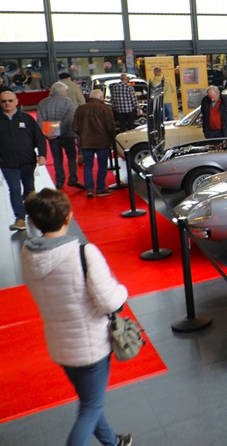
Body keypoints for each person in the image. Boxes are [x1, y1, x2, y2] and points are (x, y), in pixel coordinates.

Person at [21, 189, 132, 446]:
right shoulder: (83, 252)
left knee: (89, 401)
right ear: (68, 217)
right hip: (91, 344)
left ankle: (113, 442)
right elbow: (110, 301)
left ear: (34, 222)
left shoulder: (28, 256)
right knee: (90, 407)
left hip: (60, 345)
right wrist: (123, 290)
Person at [0, 88, 47, 230]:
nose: (7, 103)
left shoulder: (27, 119)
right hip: (7, 163)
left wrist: (42, 155)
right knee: (14, 189)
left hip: (28, 162)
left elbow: (39, 138)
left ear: (16, 101)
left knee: (29, 189)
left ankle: (31, 212)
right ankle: (20, 218)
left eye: (10, 100)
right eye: (4, 101)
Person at [38, 82, 83, 190]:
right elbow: (69, 120)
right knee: (71, 157)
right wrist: (59, 130)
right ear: (63, 91)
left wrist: (51, 132)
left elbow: (40, 121)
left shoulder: (43, 103)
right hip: (67, 135)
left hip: (51, 136)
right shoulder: (68, 102)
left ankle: (59, 181)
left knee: (57, 158)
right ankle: (73, 178)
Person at [73, 89, 117, 198]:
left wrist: (83, 134)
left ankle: (89, 190)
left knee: (88, 165)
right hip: (102, 142)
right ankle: (100, 189)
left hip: (86, 142)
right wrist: (112, 138)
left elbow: (74, 127)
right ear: (101, 97)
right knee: (102, 165)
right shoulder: (105, 109)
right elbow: (110, 127)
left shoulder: (80, 109)